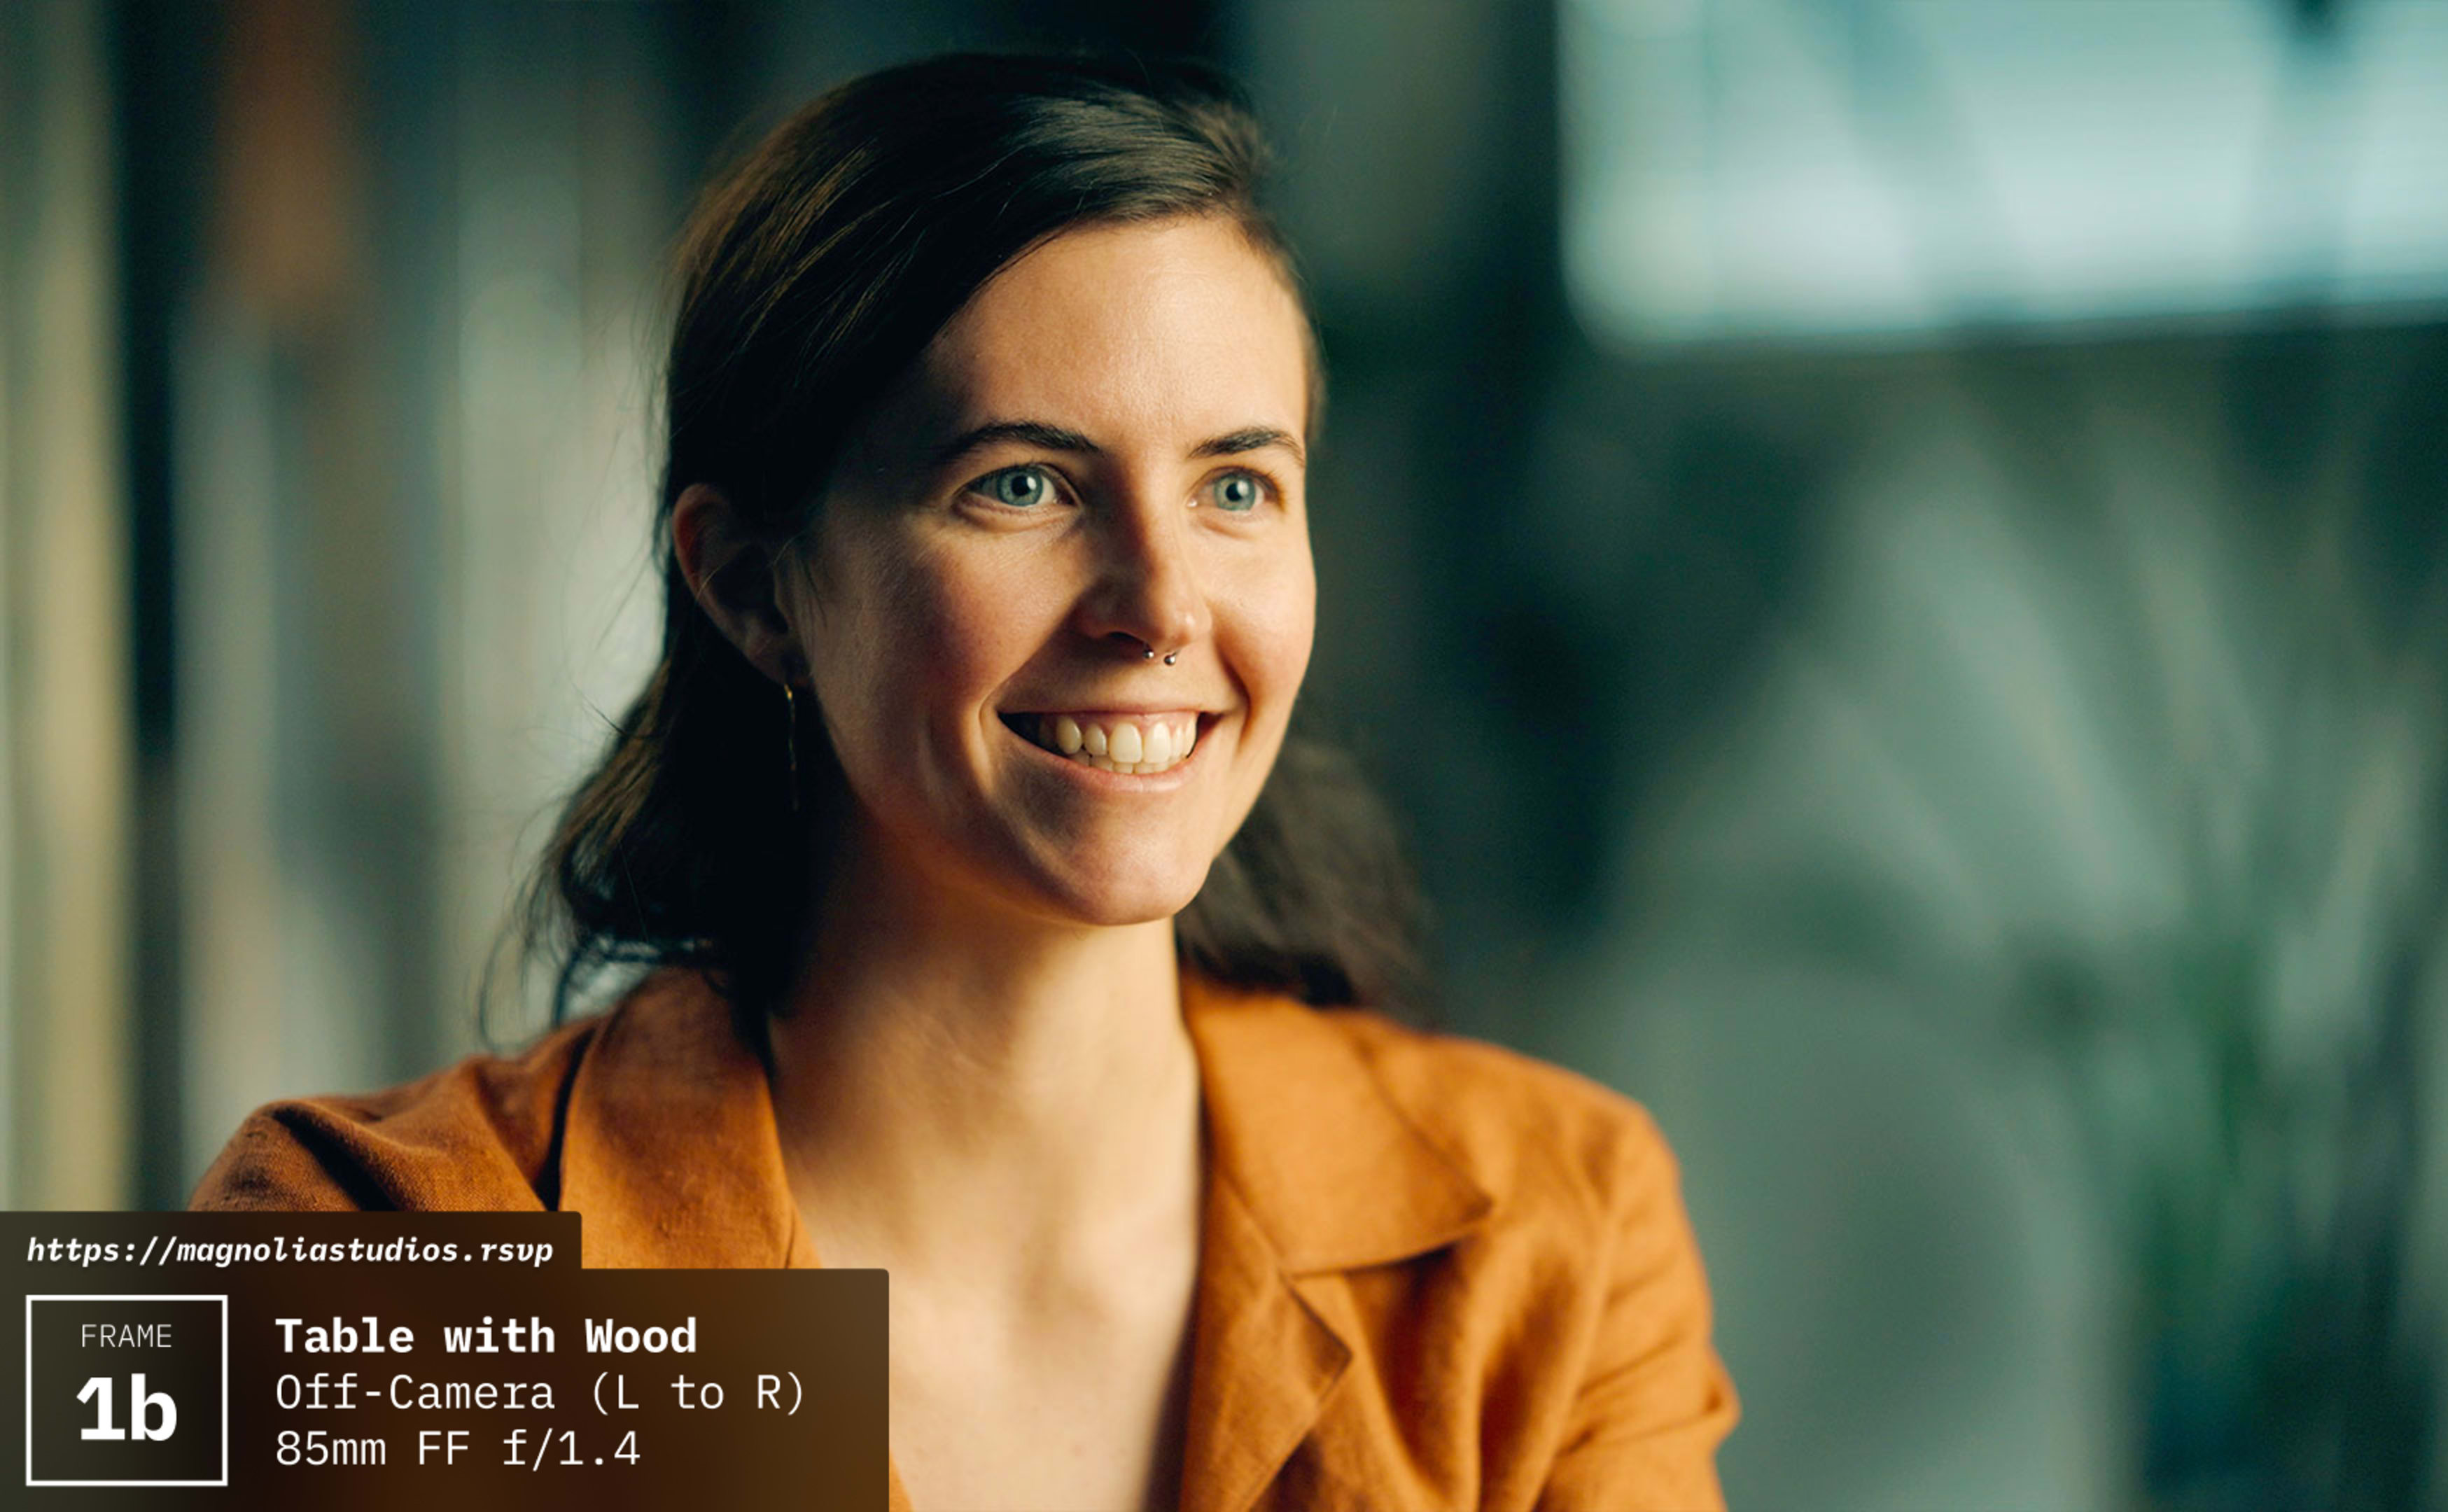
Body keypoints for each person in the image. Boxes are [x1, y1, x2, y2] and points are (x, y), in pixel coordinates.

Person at [190, 52, 1736, 1511]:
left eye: (1237, 486)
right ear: (753, 589)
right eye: (1021, 485)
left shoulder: (1556, 1225)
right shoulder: (368, 1258)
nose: (1164, 603)